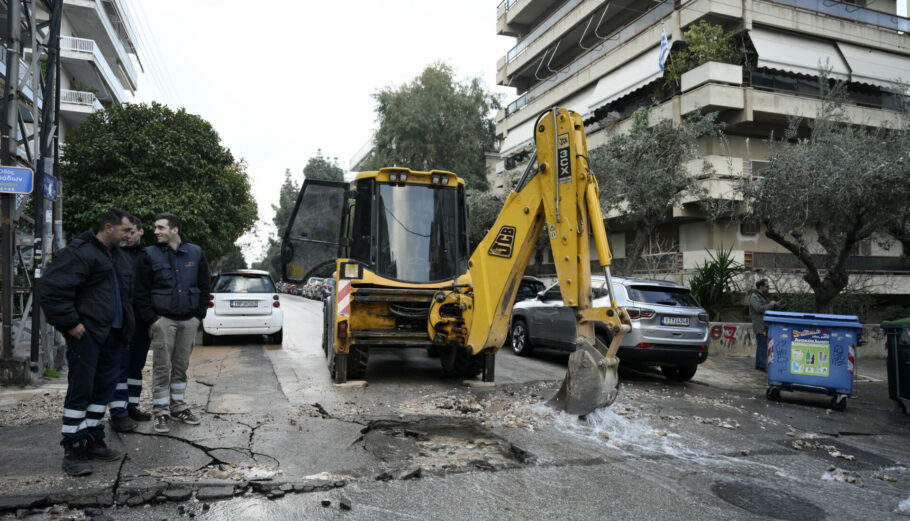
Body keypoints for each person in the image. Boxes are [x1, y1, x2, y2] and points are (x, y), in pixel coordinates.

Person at [39, 208, 136, 476]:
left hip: (113, 335)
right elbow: (51, 288)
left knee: (103, 390)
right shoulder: (80, 252)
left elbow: (124, 296)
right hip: (88, 334)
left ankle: (93, 439)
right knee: (81, 390)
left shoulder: (118, 256)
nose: (130, 235)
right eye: (125, 230)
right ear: (108, 227)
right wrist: (71, 324)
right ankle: (73, 448)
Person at [134, 213, 210, 434]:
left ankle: (178, 407)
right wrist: (153, 320)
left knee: (180, 367)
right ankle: (161, 412)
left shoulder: (195, 253)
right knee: (161, 368)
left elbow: (205, 287)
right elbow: (140, 291)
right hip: (163, 320)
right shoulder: (149, 254)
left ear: (174, 230)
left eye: (160, 228)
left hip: (189, 320)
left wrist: (199, 317)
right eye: (155, 228)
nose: (155, 232)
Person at [108, 217, 153, 432]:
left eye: (132, 232)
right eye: (125, 232)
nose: (128, 236)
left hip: (142, 321)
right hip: (122, 321)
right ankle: (118, 412)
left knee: (136, 366)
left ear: (141, 232)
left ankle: (132, 405)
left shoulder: (148, 255)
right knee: (120, 367)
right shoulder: (115, 254)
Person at [749, 279, 783, 371]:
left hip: (764, 323)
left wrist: (775, 304)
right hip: (759, 324)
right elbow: (759, 308)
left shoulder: (762, 297)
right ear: (761, 286)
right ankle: (761, 365)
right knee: (762, 344)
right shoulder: (754, 296)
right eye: (767, 286)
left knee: (763, 344)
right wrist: (771, 304)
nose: (768, 288)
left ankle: (760, 365)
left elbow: (766, 308)